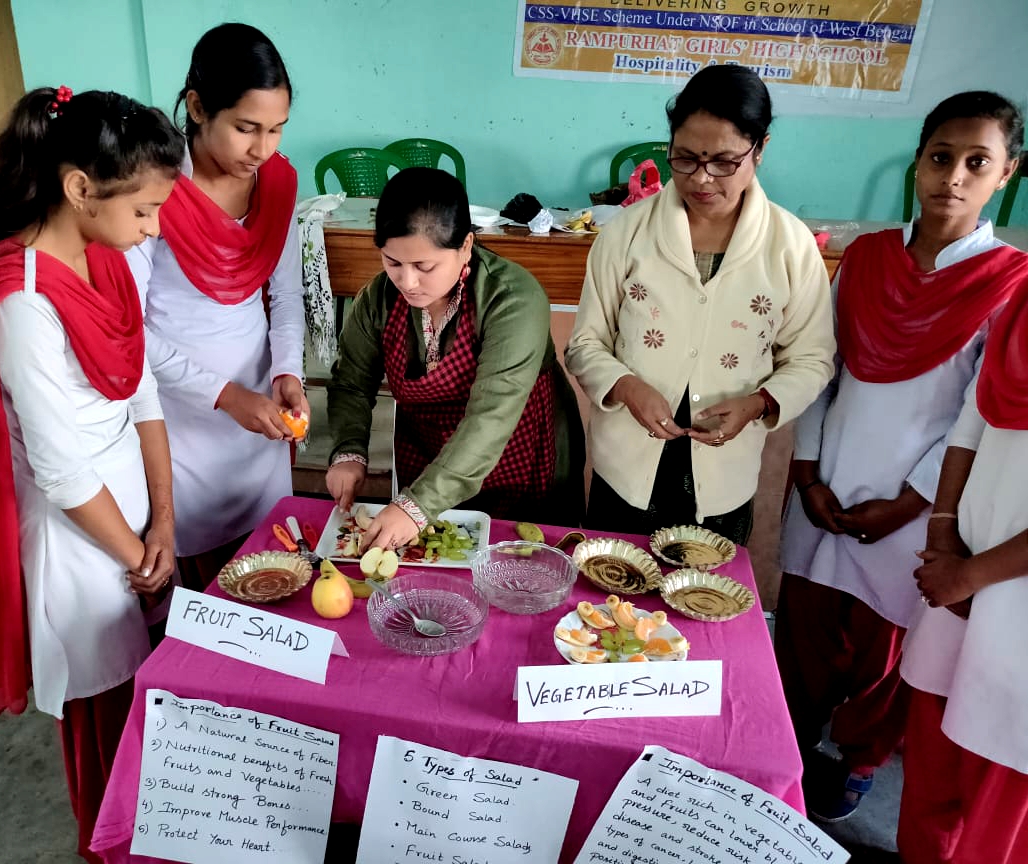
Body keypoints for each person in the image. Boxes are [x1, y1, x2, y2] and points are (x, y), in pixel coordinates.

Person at [776, 91, 1026, 823]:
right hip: (828, 482)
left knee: (886, 652)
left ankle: (859, 756)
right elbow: (823, 367)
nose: (953, 176)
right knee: (805, 635)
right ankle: (785, 748)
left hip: (919, 506)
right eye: (941, 156)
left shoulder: (1008, 282)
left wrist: (913, 504)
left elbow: (973, 415)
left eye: (977, 162)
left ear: (1006, 173)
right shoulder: (868, 256)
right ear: (918, 161)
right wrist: (806, 472)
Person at [0, 87, 185, 862]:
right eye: (144, 210)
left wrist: (165, 522)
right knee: (102, 721)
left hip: (131, 531)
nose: (153, 228)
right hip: (81, 547)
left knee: (147, 707)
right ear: (80, 188)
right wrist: (136, 555)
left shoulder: (104, 264)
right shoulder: (21, 304)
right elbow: (58, 468)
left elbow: (141, 393)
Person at [565, 65, 834, 544]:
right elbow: (585, 343)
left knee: (706, 605)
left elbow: (812, 358)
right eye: (685, 159)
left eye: (725, 162)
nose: (702, 179)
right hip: (625, 469)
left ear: (761, 149)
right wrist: (625, 385)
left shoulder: (790, 246)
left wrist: (758, 403)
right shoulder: (627, 234)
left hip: (723, 478)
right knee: (612, 600)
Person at [127, 23, 307, 588]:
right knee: (196, 577)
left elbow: (284, 294)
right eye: (246, 128)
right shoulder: (150, 190)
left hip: (259, 410)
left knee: (271, 563)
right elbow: (128, 328)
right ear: (199, 108)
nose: (263, 149)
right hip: (179, 416)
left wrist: (288, 370)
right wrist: (224, 396)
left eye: (277, 129)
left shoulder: (275, 183)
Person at [326, 166, 585, 547]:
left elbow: (491, 417)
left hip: (521, 452)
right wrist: (348, 451)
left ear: (465, 245)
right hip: (429, 456)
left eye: (424, 266)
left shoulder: (512, 299)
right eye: (392, 262)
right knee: (438, 555)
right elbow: (351, 381)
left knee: (524, 559)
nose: (407, 282)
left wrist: (417, 505)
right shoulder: (379, 298)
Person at [899, 254, 1028, 862]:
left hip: (1009, 595)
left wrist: (971, 574)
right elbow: (970, 429)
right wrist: (946, 532)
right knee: (934, 757)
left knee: (1000, 798)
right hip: (961, 569)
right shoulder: (1021, 305)